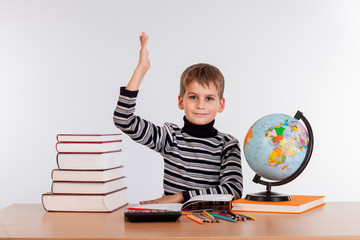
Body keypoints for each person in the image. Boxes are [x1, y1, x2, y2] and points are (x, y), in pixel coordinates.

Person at [113, 32, 243, 204]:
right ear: (181, 101)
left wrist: (180, 197)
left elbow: (232, 190)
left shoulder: (227, 144)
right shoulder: (170, 137)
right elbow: (124, 119)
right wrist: (141, 69)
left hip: (213, 225)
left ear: (221, 104)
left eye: (209, 98)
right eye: (193, 97)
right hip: (174, 225)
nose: (200, 105)